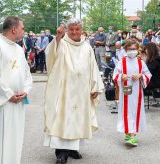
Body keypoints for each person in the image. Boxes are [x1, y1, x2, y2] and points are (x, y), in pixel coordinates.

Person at [44, 18, 104, 164]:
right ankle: (61, 153)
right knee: (62, 119)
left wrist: (94, 87)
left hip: (82, 91)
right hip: (64, 90)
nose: (74, 32)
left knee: (78, 119)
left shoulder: (87, 47)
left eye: (77, 29)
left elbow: (93, 67)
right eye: (71, 29)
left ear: (81, 30)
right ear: (67, 30)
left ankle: (72, 149)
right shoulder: (62, 43)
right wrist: (58, 37)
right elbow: (51, 54)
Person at [0, 16, 33, 164]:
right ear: (14, 29)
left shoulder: (19, 49)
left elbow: (27, 73)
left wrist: (26, 90)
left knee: (14, 141)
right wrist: (8, 95)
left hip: (18, 103)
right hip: (1, 104)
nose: (24, 31)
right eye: (22, 28)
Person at [113, 39, 152, 146]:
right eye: (130, 49)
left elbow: (148, 75)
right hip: (126, 89)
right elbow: (115, 75)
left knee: (135, 110)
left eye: (134, 49)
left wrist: (140, 76)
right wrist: (122, 76)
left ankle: (132, 134)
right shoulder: (122, 62)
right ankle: (129, 133)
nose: (132, 51)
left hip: (137, 91)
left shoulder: (141, 62)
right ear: (126, 49)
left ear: (137, 49)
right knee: (127, 110)